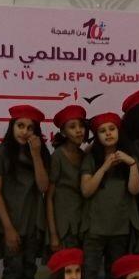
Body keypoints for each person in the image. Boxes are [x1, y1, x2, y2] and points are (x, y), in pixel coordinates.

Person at [0, 104, 49, 279]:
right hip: (11, 221)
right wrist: (8, 228)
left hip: (33, 221)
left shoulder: (40, 153)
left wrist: (35, 155)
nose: (24, 131)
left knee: (29, 269)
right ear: (12, 126)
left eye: (30, 127)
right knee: (13, 270)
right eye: (20, 125)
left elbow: (43, 186)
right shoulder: (1, 152)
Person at [80, 111, 139, 279]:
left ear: (118, 132)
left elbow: (135, 190)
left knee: (115, 274)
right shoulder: (91, 158)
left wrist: (132, 164)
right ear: (97, 136)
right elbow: (86, 190)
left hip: (120, 228)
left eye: (112, 129)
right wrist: (105, 167)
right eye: (102, 131)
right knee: (89, 273)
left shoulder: (130, 158)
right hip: (95, 229)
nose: (108, 133)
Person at [47, 104, 87, 253]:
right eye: (72, 127)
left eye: (81, 126)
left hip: (81, 222)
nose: (79, 130)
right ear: (63, 132)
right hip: (63, 225)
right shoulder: (57, 156)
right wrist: (53, 234)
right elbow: (49, 198)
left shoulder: (84, 156)